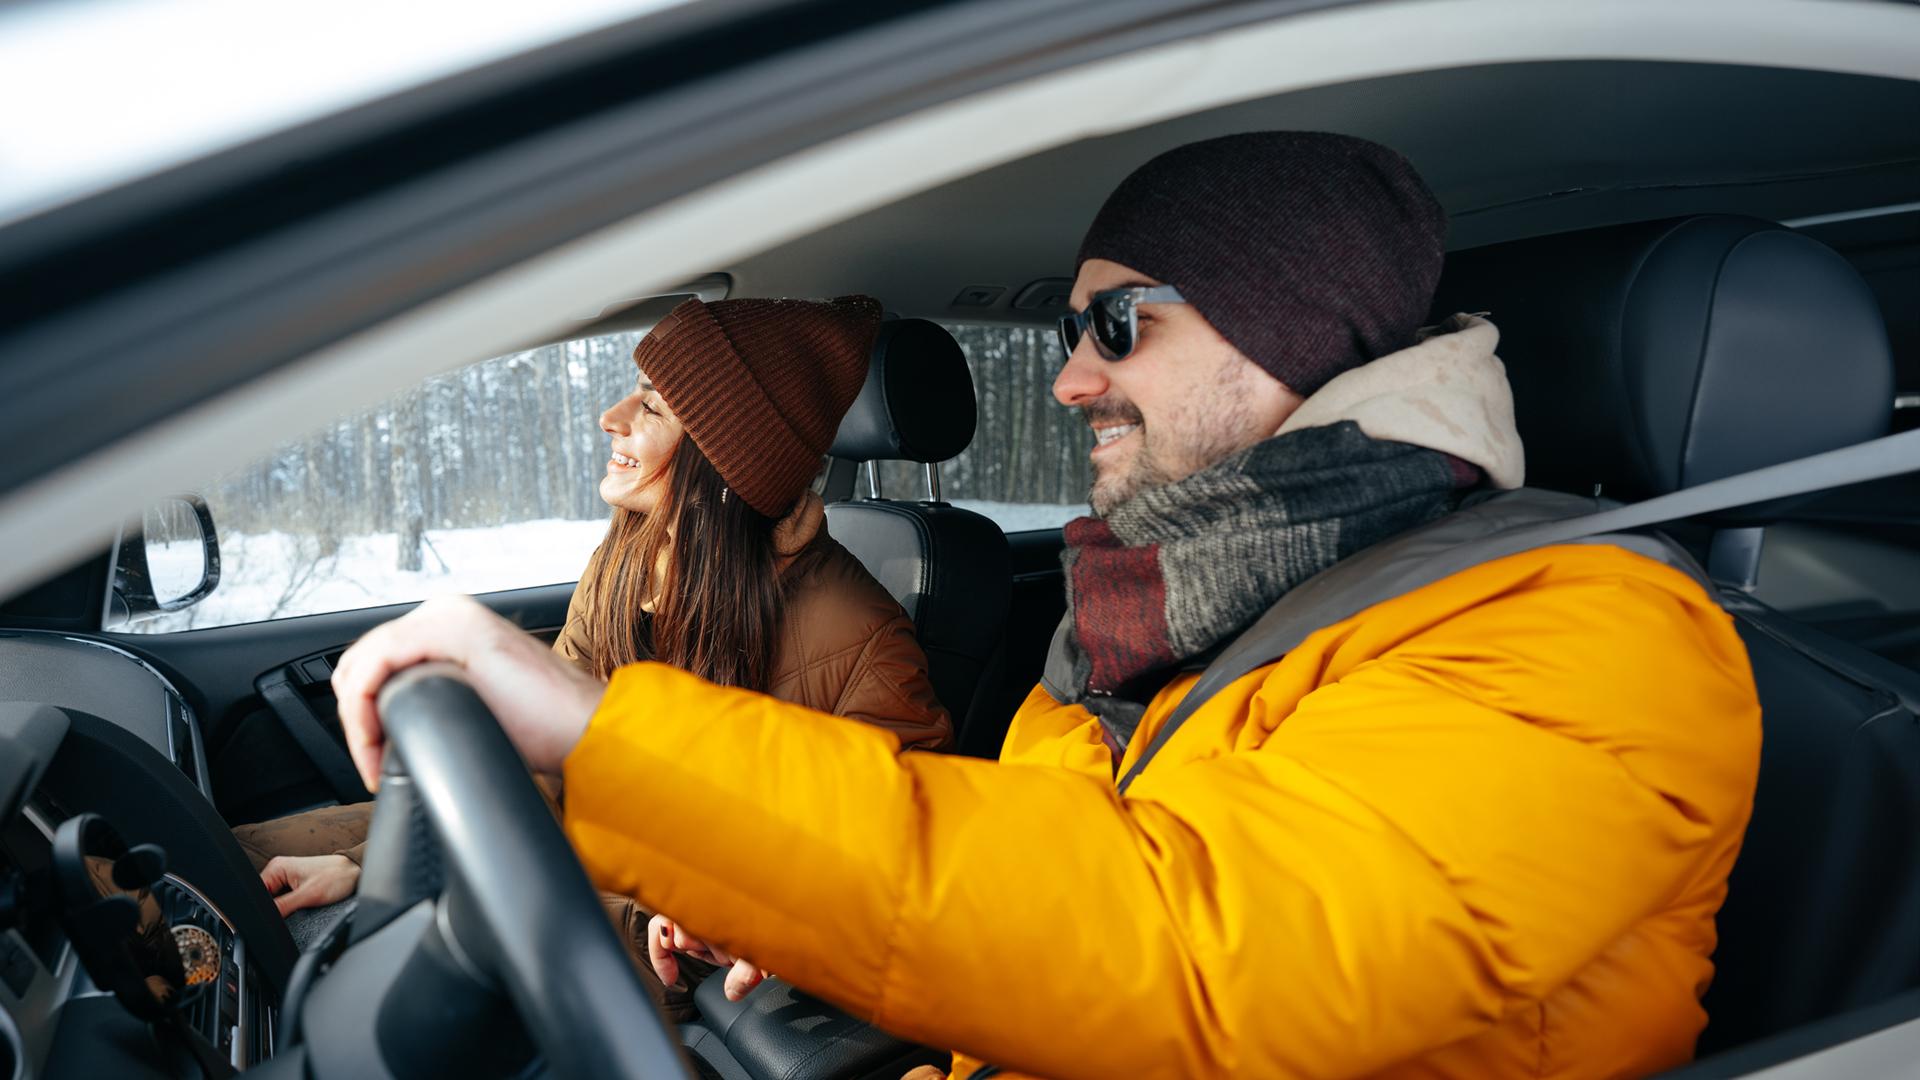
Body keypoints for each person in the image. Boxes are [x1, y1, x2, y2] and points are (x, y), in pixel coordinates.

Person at [327, 133, 1761, 1078]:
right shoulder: (1152, 604)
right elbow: (1068, 874)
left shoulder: (1590, 635)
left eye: (1120, 322)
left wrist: (600, 735)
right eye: (1072, 330)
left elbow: (1192, 952)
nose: (1073, 378)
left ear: (1294, 331)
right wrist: (822, 937)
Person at [235, 294, 951, 1013]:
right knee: (229, 859)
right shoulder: (624, 562)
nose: (612, 417)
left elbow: (896, 867)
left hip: (666, 942)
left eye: (654, 406)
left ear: (725, 458)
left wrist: (732, 913)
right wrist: (372, 865)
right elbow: (538, 767)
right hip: (552, 845)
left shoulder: (864, 638)